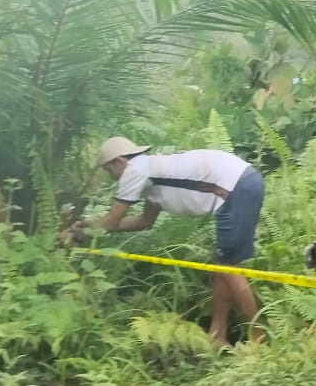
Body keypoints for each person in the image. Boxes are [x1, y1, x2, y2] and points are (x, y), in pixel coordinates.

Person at [72, 137, 266, 346]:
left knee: (227, 266)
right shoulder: (151, 173)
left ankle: (258, 338)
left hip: (237, 187)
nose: (111, 178)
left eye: (109, 171)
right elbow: (143, 222)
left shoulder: (135, 171)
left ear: (119, 162)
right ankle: (217, 335)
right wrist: (92, 226)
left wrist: (84, 232)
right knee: (219, 265)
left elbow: (111, 222)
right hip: (241, 183)